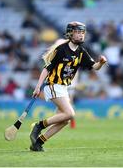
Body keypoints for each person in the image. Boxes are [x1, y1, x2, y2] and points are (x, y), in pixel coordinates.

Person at [30, 21, 107, 151]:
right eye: (77, 32)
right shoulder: (61, 49)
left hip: (63, 88)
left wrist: (101, 63)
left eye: (82, 32)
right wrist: (38, 87)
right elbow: (46, 69)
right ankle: (39, 125)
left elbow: (94, 67)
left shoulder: (81, 51)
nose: (81, 35)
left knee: (64, 120)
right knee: (70, 113)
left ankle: (38, 143)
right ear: (70, 33)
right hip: (53, 85)